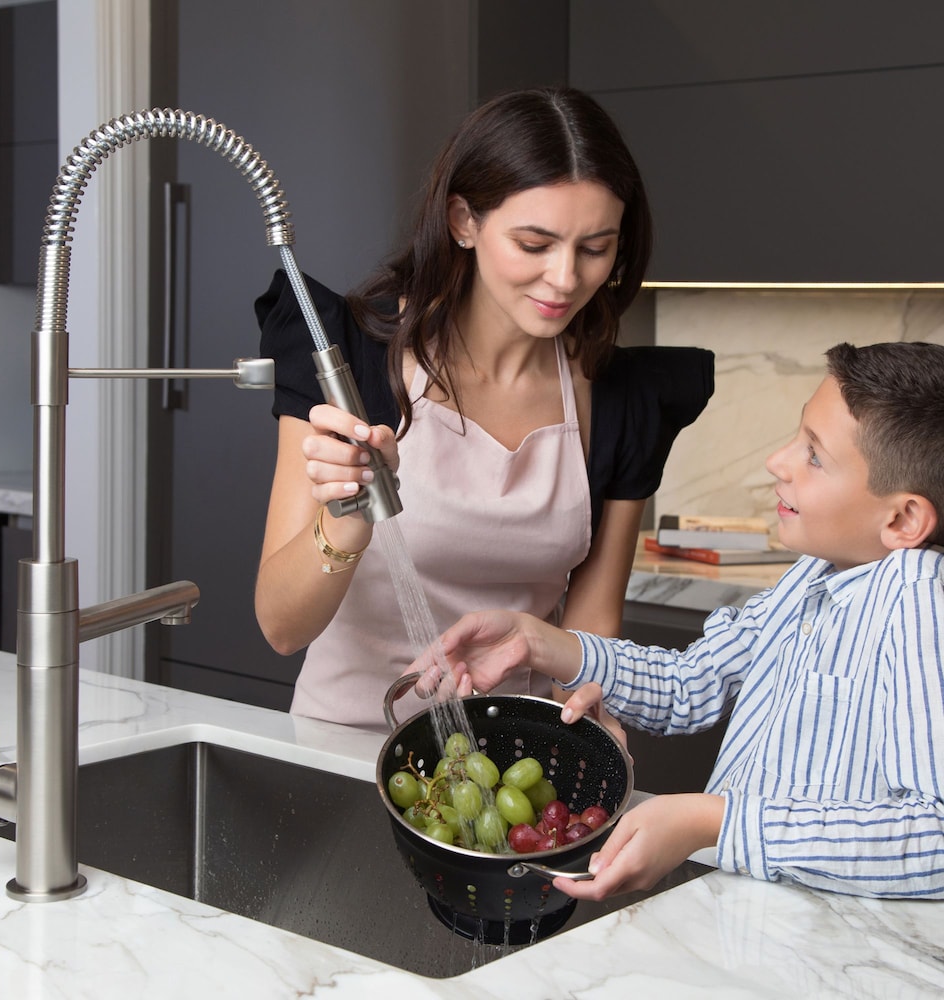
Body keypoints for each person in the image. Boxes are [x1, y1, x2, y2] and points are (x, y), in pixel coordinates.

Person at [412, 341, 944, 900]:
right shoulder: (813, 575)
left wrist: (713, 821)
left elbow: (935, 833)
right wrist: (538, 641)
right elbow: (693, 682)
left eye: (813, 455)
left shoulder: (919, 604)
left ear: (904, 518)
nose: (777, 461)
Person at [254, 86, 714, 732]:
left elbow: (589, 635)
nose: (564, 278)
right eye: (535, 243)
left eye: (594, 247)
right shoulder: (351, 360)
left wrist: (588, 727)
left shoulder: (619, 399)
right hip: (341, 755)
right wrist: (347, 519)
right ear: (464, 220)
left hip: (512, 773)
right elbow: (280, 624)